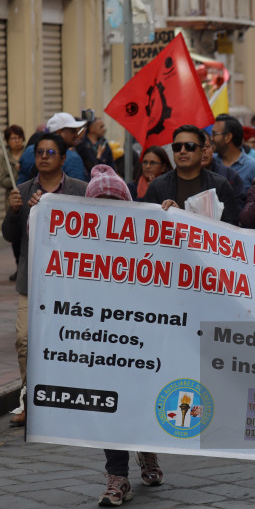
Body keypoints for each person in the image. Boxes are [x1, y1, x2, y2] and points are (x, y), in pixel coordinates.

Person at [82, 165, 166, 506]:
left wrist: (171, 220)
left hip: (142, 334)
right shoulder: (77, 237)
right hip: (99, 339)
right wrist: (38, 214)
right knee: (108, 404)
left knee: (142, 398)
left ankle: (148, 452)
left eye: (113, 201)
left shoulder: (146, 235)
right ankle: (117, 475)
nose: (106, 209)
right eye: (98, 202)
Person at [2, 133, 88, 427]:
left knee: (70, 342)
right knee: (25, 341)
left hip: (70, 284)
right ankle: (30, 403)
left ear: (64, 158)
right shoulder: (22, 191)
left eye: (51, 152)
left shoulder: (81, 191)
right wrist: (14, 212)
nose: (44, 156)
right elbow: (11, 236)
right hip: (32, 282)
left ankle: (71, 398)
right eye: (39, 151)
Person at [142, 125, 238, 225]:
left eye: (190, 146)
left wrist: (181, 216)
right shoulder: (157, 186)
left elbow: (231, 228)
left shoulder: (220, 186)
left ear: (202, 152)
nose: (183, 151)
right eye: (177, 147)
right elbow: (145, 225)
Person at [17, 113, 89, 183]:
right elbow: (77, 191)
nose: (77, 135)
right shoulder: (72, 158)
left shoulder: (29, 151)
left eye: (77, 131)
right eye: (73, 131)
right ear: (59, 132)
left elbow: (21, 183)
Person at [210, 115, 255, 190]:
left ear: (228, 137)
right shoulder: (211, 161)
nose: (211, 138)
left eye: (214, 134)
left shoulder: (254, 168)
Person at [1, 125, 26, 281]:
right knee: (14, 233)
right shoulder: (4, 157)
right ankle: (18, 266)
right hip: (12, 198)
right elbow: (3, 179)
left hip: (27, 196)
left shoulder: (28, 154)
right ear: (7, 141)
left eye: (18, 137)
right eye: (13, 138)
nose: (16, 141)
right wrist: (16, 175)